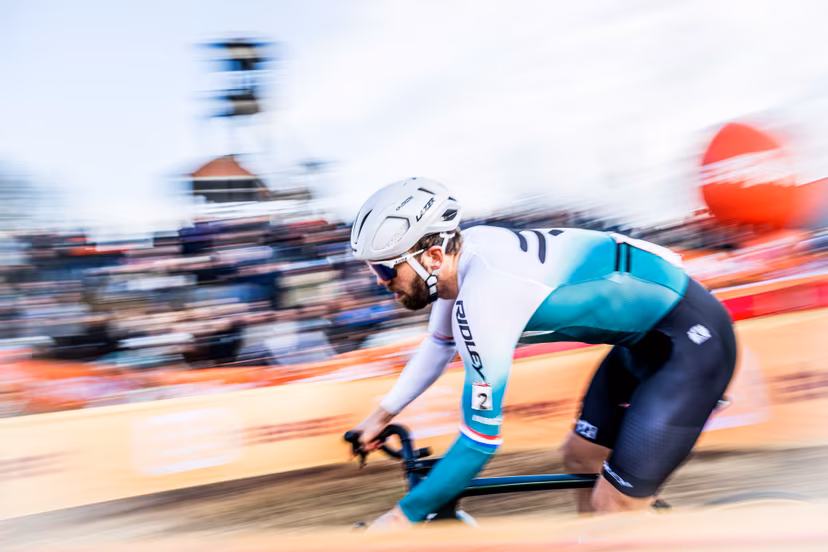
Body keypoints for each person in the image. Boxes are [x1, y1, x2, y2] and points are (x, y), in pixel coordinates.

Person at [348, 177, 737, 529]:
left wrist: (402, 517)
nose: (382, 283)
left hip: (690, 344)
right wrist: (380, 417)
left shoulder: (487, 295)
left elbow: (479, 441)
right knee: (581, 457)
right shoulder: (464, 259)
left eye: (385, 271)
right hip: (643, 342)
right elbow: (437, 346)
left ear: (433, 257)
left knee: (614, 503)